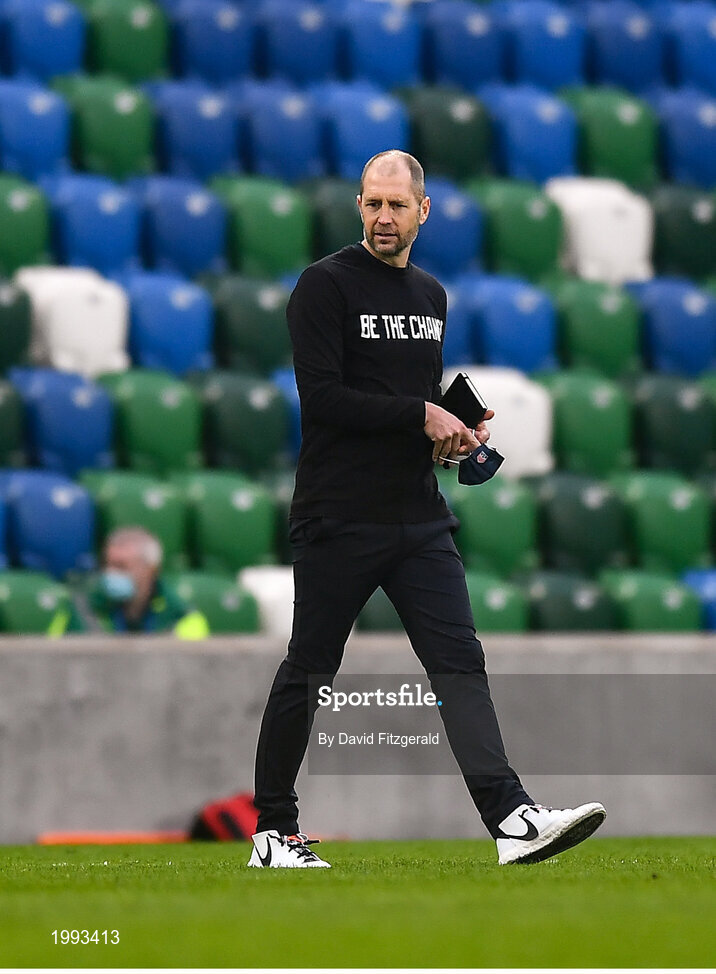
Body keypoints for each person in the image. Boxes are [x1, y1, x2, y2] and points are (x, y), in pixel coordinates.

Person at [248, 150, 605, 869]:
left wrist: (452, 433)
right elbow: (323, 400)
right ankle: (272, 832)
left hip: (417, 515)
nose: (382, 217)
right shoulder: (323, 286)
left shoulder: (432, 296)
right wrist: (421, 414)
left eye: (395, 205)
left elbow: (409, 404)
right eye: (371, 204)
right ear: (359, 207)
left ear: (423, 211)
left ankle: (510, 820)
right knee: (310, 668)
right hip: (337, 512)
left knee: (459, 662)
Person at [59, 526, 209, 639]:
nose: (110, 573)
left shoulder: (182, 616)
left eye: (121, 566)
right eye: (107, 564)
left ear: (151, 569)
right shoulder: (81, 608)